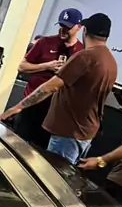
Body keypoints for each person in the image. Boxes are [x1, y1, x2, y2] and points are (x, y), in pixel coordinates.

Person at [0, 13, 118, 166]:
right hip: (84, 132)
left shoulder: (85, 56)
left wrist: (16, 108)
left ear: (84, 30)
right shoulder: (110, 61)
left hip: (68, 132)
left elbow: (50, 87)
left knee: (52, 172)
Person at [13, 9, 84, 149]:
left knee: (40, 152)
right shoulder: (44, 42)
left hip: (54, 113)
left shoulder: (81, 52)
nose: (63, 30)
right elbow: (22, 67)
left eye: (68, 27)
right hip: (31, 106)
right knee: (17, 146)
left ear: (79, 27)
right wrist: (47, 66)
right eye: (61, 25)